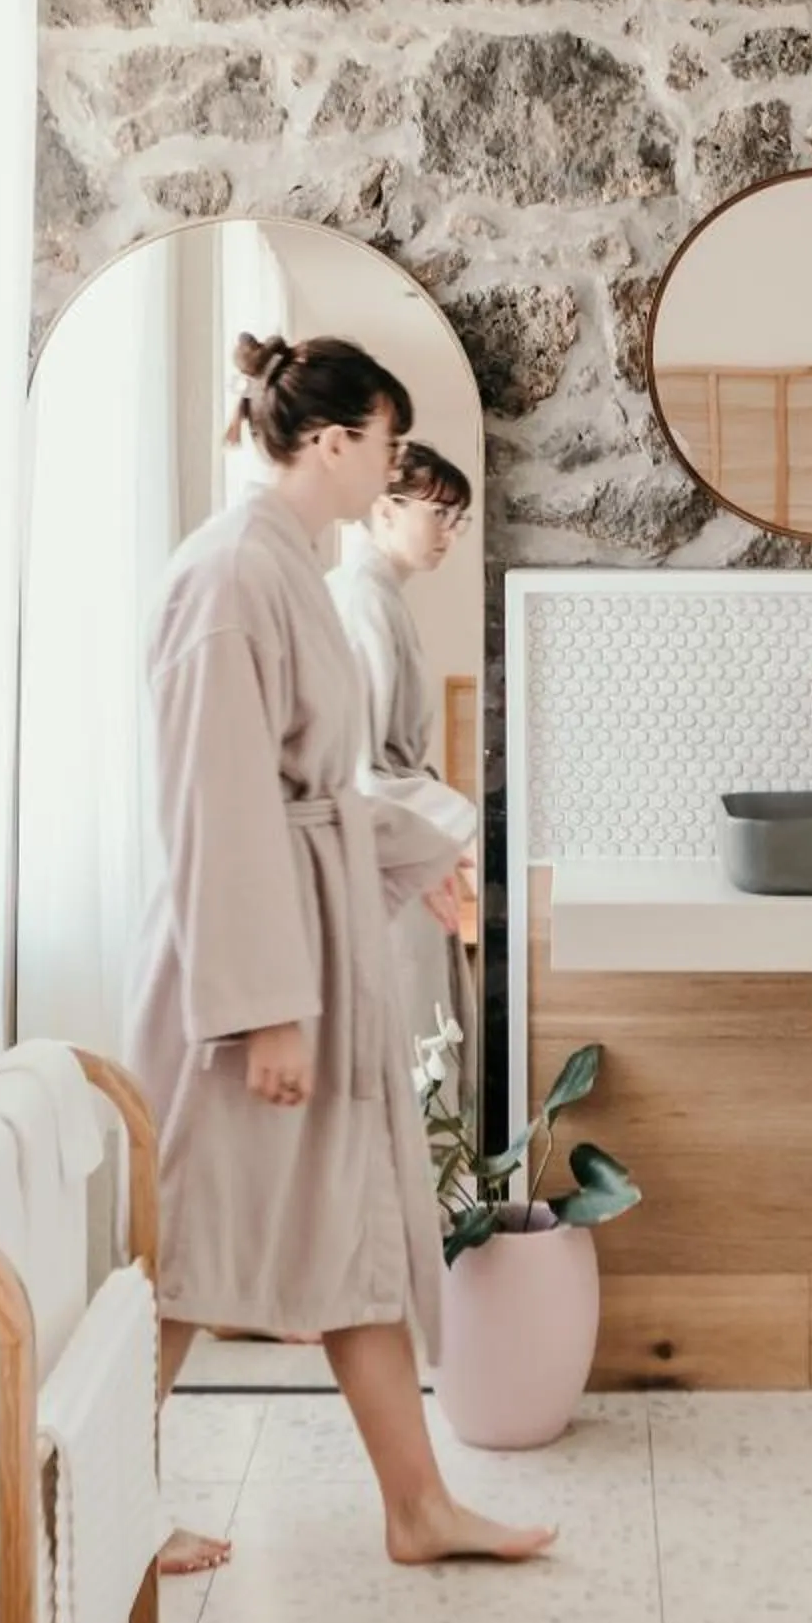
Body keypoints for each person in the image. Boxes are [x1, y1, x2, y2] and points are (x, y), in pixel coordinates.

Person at [124, 333, 553, 1574]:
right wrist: (262, 1010)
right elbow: (220, 805)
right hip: (245, 977)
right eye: (384, 444)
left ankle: (416, 1508)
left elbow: (312, 795)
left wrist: (406, 867)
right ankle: (81, 1511)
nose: (391, 472)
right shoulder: (226, 580)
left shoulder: (286, 568)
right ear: (329, 442)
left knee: (354, 1225)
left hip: (304, 944)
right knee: (187, 1255)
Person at [328, 441, 477, 1124]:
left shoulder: (376, 596)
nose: (449, 531)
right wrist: (448, 839)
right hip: (383, 855)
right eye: (440, 512)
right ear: (384, 509)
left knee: (423, 1045)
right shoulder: (359, 600)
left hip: (399, 844)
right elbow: (361, 770)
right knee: (415, 1049)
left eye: (459, 518)